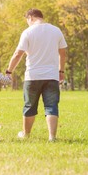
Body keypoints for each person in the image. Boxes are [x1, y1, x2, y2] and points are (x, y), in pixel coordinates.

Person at [6, 8, 67, 142]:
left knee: (29, 105)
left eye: (27, 20)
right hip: (52, 76)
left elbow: (18, 54)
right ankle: (52, 137)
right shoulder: (56, 30)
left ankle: (26, 134)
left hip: (32, 76)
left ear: (30, 18)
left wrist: (9, 71)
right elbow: (62, 53)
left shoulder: (28, 32)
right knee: (51, 106)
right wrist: (61, 71)